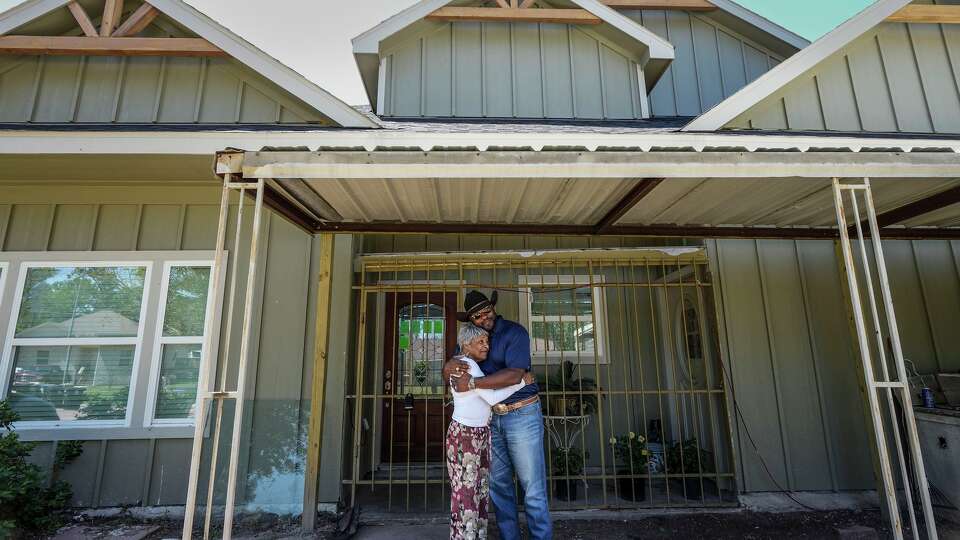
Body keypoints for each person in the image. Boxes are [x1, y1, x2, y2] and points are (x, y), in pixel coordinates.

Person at [443, 290, 552, 540]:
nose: (484, 318)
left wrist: (473, 384)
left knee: (532, 488)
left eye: (486, 311)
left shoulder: (514, 333)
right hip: (489, 420)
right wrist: (446, 367)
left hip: (522, 414)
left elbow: (516, 374)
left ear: (493, 308)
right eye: (477, 316)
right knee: (499, 487)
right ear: (471, 320)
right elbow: (453, 368)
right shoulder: (472, 339)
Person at [446, 324, 534, 540]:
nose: (486, 346)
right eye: (481, 342)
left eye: (487, 341)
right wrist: (521, 383)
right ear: (467, 345)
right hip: (466, 437)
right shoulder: (467, 367)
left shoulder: (469, 365)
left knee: (476, 491)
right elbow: (492, 398)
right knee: (467, 493)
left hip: (476, 434)